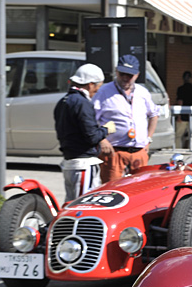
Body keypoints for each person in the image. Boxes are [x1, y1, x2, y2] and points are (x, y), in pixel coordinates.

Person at [54, 64, 116, 202]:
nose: (97, 91)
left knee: (70, 203)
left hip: (69, 160)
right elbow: (92, 136)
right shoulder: (82, 103)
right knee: (82, 205)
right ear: (90, 85)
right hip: (83, 163)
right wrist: (106, 129)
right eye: (98, 87)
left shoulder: (62, 102)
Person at [93, 54, 160, 182]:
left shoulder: (142, 92)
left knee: (140, 191)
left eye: (129, 75)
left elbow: (154, 114)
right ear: (116, 72)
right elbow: (91, 120)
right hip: (114, 152)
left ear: (137, 75)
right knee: (113, 191)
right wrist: (102, 140)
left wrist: (148, 139)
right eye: (122, 74)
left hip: (139, 153)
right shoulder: (104, 92)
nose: (125, 78)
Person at [175, 70, 192, 148]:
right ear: (191, 78)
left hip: (182, 115)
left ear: (183, 78)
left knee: (178, 135)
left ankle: (178, 149)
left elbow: (180, 102)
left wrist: (178, 115)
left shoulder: (180, 89)